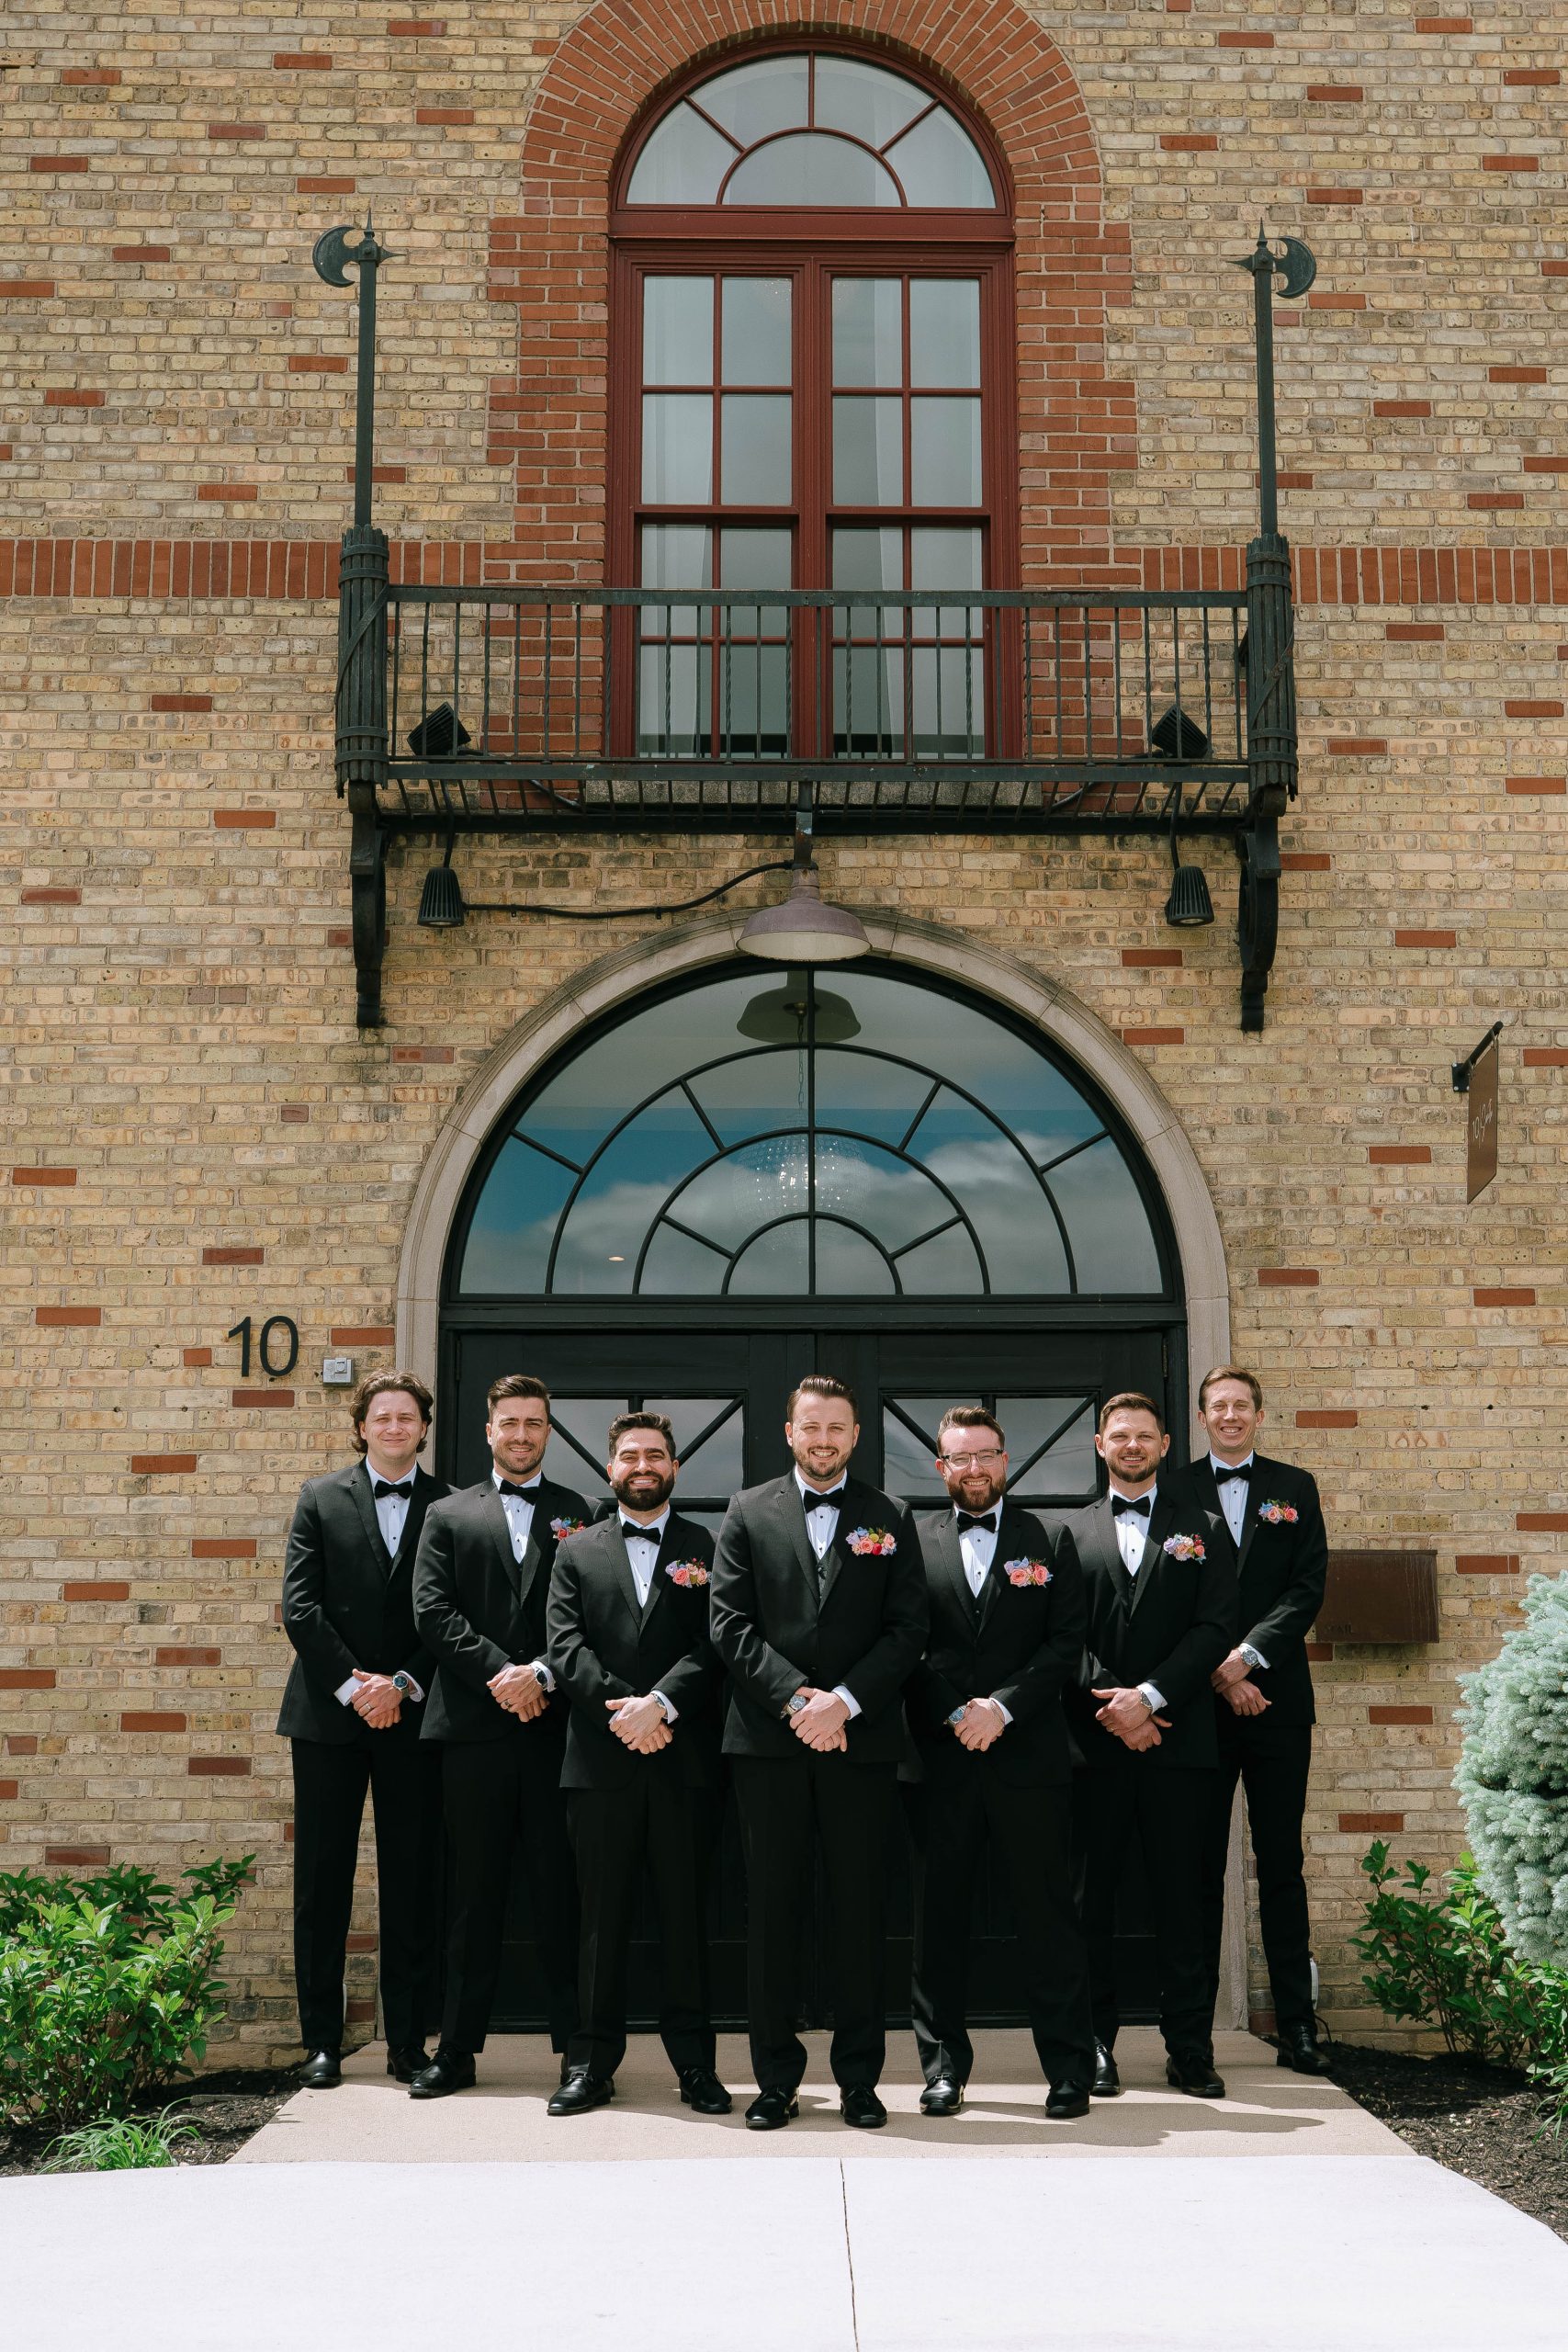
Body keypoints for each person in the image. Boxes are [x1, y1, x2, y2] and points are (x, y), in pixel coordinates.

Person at [710, 1374, 928, 2131]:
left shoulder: (888, 1515)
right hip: (770, 1745)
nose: (824, 1439)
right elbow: (729, 1625)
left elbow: (907, 1630)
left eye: (837, 1427)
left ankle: (859, 2080)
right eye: (812, 1426)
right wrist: (801, 1700)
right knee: (771, 1914)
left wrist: (846, 1702)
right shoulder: (746, 1511)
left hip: (860, 1746)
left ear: (855, 1435)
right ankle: (774, 2079)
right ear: (789, 1431)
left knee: (858, 1913)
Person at [906, 1407, 1096, 2120]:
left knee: (1048, 1919)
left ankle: (1067, 2069)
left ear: (1005, 1459)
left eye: (984, 1455)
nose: (973, 1469)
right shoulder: (909, 1540)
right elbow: (904, 1640)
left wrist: (1002, 1709)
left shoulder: (1049, 1538)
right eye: (958, 1458)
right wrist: (957, 1711)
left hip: (1030, 1759)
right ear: (940, 1467)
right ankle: (943, 2069)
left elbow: (1065, 1641)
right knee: (938, 1921)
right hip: (940, 1760)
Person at [409, 1374, 591, 2098]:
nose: (521, 1435)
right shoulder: (449, 1513)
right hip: (474, 1733)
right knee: (472, 1897)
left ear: (548, 1433)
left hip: (554, 1733)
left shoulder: (577, 1512)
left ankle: (577, 2050)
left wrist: (542, 1673)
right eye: (509, 1423)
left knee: (560, 1895)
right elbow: (431, 1609)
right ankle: (456, 2050)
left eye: (534, 1424)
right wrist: (501, 1673)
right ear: (488, 1431)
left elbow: (585, 1613)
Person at [544, 1412, 729, 2118]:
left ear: (675, 1468)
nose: (642, 1465)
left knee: (686, 1920)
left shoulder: (704, 1546)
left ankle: (695, 2067)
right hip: (601, 1763)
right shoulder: (576, 1551)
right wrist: (625, 1711)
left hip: (682, 1765)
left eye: (655, 1455)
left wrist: (662, 1705)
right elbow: (564, 1646)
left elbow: (716, 1643)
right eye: (629, 1455)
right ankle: (589, 2065)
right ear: (610, 1469)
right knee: (600, 1923)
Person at [1059, 1392, 1235, 2099]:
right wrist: (1115, 1703)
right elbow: (1060, 1635)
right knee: (1088, 1903)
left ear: (1165, 1445)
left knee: (1183, 1905)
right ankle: (1093, 2045)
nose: (1131, 1446)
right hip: (1093, 1748)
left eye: (1143, 1436)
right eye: (1118, 1436)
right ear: (1099, 1446)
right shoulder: (1066, 1534)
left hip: (1179, 1743)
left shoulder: (1205, 1528)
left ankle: (1189, 2049)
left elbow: (1214, 1627)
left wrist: (1152, 1698)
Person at [276, 1371, 448, 2088]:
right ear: (361, 1426)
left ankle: (408, 2043)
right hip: (327, 1715)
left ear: (422, 1427)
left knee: (411, 1881)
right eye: (382, 1416)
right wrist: (356, 1686)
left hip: (413, 1716)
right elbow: (299, 1606)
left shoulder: (449, 1504)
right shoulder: (320, 1498)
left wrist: (402, 1685)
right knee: (323, 1882)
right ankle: (322, 2041)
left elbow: (453, 1614)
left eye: (407, 1417)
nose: (394, 1427)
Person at [1163, 1366, 1332, 2075]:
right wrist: (1219, 1675)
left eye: (1241, 1406)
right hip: (1200, 1709)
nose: (1229, 1416)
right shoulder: (1172, 1491)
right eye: (1217, 1407)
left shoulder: (1294, 1488)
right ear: (1201, 1418)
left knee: (1281, 1865)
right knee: (1197, 1870)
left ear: (1258, 1415)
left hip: (1277, 1705)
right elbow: (1171, 1599)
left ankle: (1296, 2026)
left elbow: (1306, 1586)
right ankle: (1191, 2039)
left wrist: (1249, 1660)